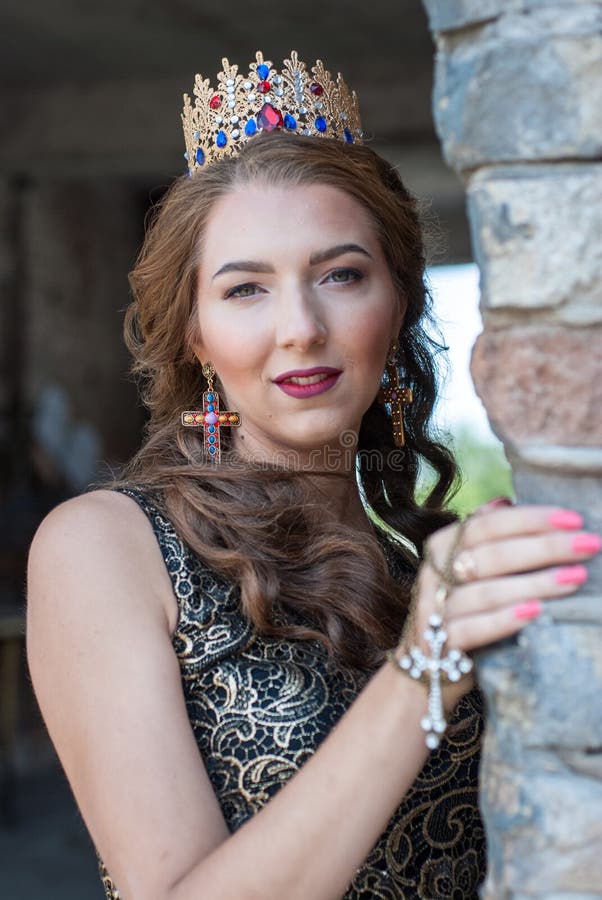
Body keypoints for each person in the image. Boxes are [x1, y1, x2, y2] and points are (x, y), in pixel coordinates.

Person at [25, 51, 601, 900]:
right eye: (246, 289)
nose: (301, 327)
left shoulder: (422, 565)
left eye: (340, 275)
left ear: (397, 303)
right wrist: (425, 667)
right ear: (195, 336)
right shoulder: (105, 550)